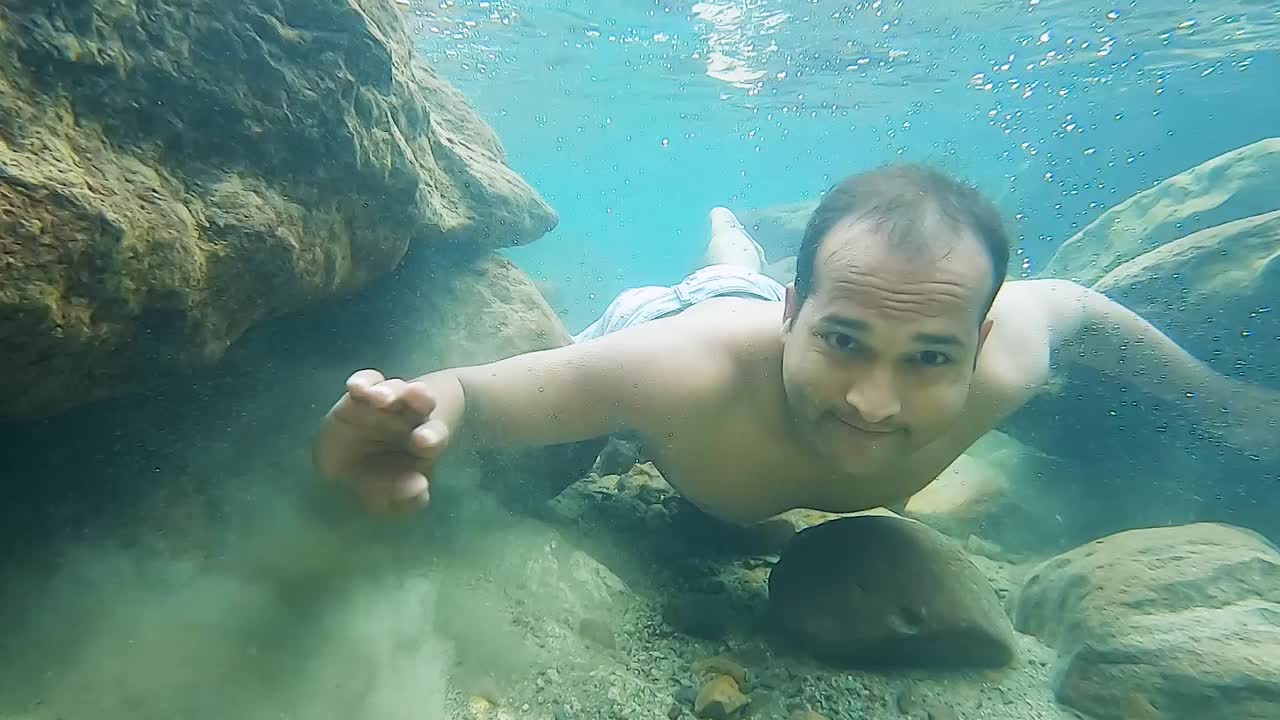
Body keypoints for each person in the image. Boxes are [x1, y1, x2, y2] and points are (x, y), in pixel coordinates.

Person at [312, 163, 1277, 522]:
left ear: (978, 338)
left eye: (930, 356)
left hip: (762, 307)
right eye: (844, 341)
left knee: (735, 275)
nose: (874, 401)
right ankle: (727, 254)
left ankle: (737, 252)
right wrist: (399, 425)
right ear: (794, 316)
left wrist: (1222, 400)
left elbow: (1078, 304)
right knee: (695, 290)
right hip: (684, 318)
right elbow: (472, 395)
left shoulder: (1019, 348)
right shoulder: (670, 374)